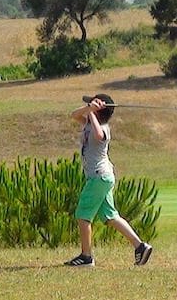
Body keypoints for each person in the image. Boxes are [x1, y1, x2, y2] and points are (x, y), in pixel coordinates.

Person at [64, 93, 154, 268]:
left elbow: (98, 135)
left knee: (83, 215)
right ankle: (140, 246)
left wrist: (92, 111)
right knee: (110, 216)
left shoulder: (103, 127)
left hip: (99, 176)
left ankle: (86, 257)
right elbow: (74, 115)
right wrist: (89, 109)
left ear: (100, 112)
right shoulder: (88, 123)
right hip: (101, 177)